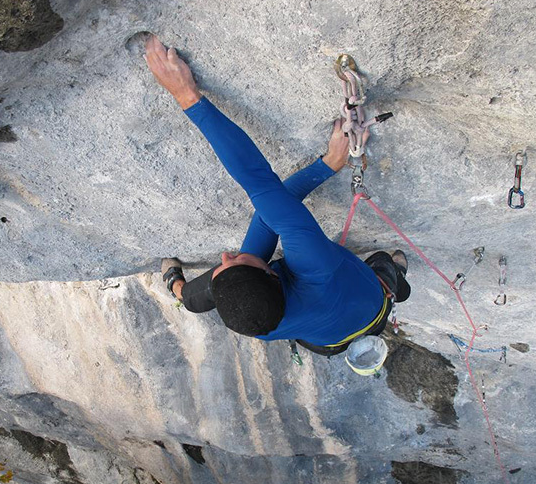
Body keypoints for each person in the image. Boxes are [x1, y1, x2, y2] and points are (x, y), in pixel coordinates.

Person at [145, 36, 410, 356]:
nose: (227, 256)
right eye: (236, 260)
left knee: (192, 298)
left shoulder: (258, 321)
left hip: (327, 342)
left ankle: (175, 285)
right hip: (373, 311)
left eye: (223, 263)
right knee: (386, 266)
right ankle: (396, 275)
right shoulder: (315, 265)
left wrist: (328, 165)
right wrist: (186, 95)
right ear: (271, 272)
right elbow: (262, 187)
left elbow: (267, 216)